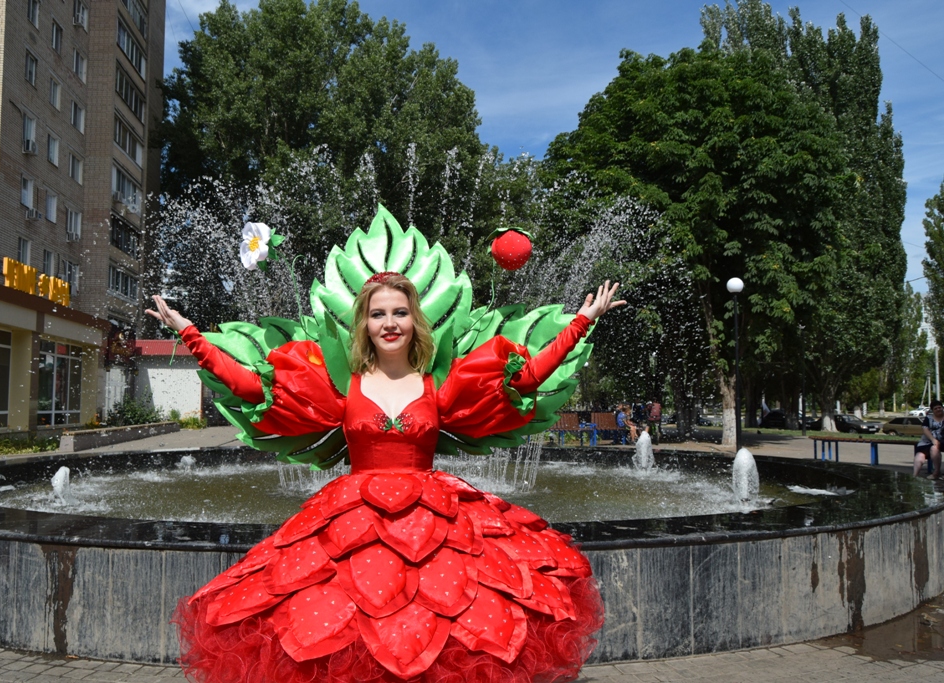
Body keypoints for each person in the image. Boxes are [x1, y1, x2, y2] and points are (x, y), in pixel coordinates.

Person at [147, 273, 625, 683]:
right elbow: (249, 385)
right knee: (336, 626)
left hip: (434, 522)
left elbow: (526, 379)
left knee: (452, 620)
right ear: (365, 324)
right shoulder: (340, 386)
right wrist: (188, 331)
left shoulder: (441, 385)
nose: (390, 323)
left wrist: (583, 321)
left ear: (414, 320)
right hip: (353, 521)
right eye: (378, 314)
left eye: (399, 312)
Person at [914, 399, 944, 480]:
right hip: (928, 441)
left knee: (934, 448)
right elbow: (925, 430)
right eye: (936, 408)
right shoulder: (928, 418)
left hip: (942, 441)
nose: (938, 409)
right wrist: (933, 440)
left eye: (939, 407)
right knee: (920, 455)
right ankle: (914, 476)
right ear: (932, 410)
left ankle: (936, 473)